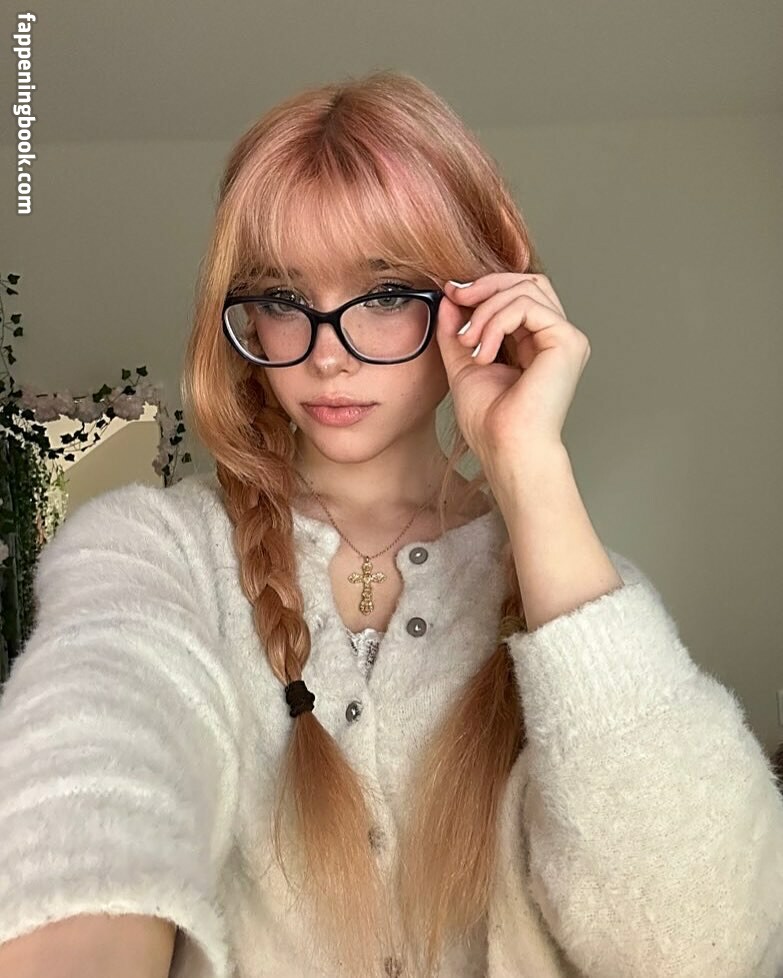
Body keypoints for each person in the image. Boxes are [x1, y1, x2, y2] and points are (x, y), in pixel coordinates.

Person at [1, 69, 782, 978]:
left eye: (382, 295)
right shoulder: (152, 551)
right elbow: (94, 764)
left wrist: (530, 467)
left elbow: (704, 944)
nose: (328, 356)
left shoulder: (577, 597)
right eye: (281, 298)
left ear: (481, 296)